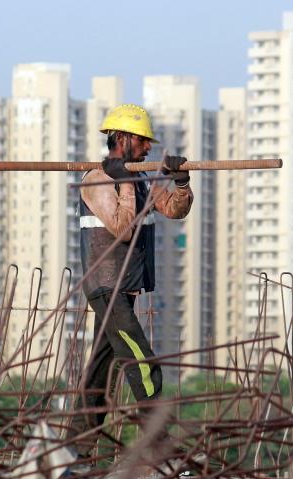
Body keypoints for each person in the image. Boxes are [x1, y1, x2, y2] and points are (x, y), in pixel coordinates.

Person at [69, 104, 193, 455]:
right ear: (121, 139)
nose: (148, 148)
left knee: (99, 374)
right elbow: (123, 228)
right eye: (141, 141)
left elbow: (174, 209)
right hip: (105, 287)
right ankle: (161, 445)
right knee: (141, 361)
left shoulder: (138, 179)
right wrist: (122, 180)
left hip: (124, 288)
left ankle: (73, 450)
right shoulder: (97, 180)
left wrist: (179, 181)